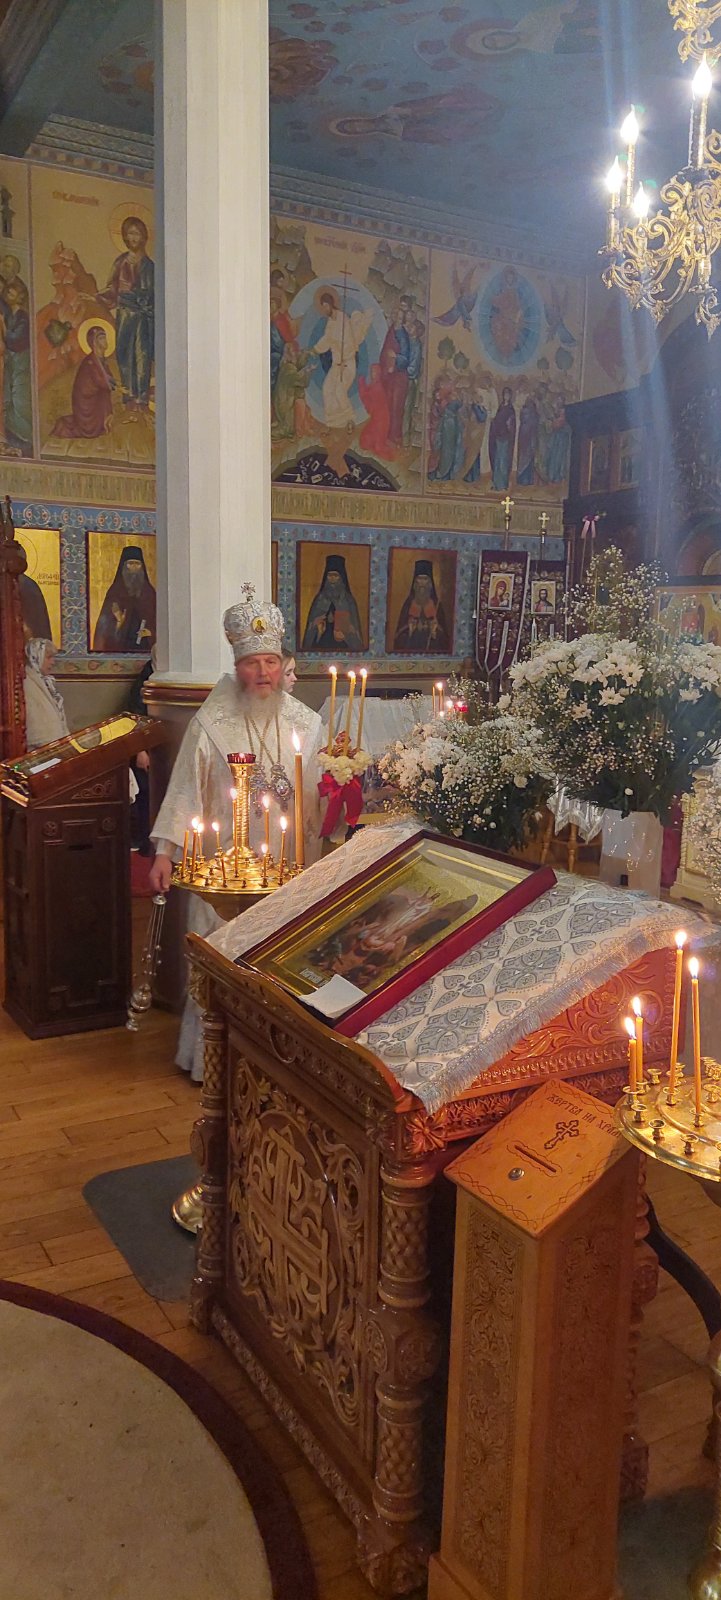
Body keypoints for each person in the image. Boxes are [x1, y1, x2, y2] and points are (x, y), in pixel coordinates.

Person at [149, 592, 323, 1080]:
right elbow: (185, 791)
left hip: (289, 868)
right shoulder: (212, 725)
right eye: (252, 663)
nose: (263, 672)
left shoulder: (307, 724)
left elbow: (320, 793)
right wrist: (164, 852)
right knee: (219, 959)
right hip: (223, 871)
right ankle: (211, 1063)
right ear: (237, 667)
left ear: (282, 665)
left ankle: (277, 1064)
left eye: (271, 661)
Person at [99, 216, 154, 412]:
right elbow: (111, 289)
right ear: (124, 236)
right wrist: (95, 296)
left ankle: (141, 399)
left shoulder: (149, 266)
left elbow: (153, 294)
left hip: (142, 318)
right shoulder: (120, 262)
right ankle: (128, 396)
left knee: (141, 356)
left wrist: (141, 299)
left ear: (144, 237)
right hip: (124, 315)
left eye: (137, 233)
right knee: (123, 353)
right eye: (130, 233)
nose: (134, 237)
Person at [51, 323, 114, 439]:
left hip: (96, 398)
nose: (106, 341)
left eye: (105, 337)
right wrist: (113, 385)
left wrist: (112, 383)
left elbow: (108, 379)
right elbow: (101, 382)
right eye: (101, 338)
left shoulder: (101, 359)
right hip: (86, 403)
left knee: (104, 395)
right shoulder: (90, 362)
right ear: (94, 342)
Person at [92, 545, 157, 653]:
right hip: (121, 645)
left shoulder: (149, 592)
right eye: (130, 564)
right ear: (124, 566)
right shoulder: (116, 591)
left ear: (142, 566)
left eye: (137, 564)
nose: (134, 567)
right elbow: (105, 627)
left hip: (145, 646)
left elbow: (158, 620)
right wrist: (119, 621)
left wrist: (151, 633)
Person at [302, 552, 365, 651]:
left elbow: (355, 629)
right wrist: (316, 624)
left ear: (341, 577)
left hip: (344, 644)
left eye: (336, 575)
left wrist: (347, 630)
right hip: (321, 643)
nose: (332, 578)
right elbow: (311, 627)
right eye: (329, 575)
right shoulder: (319, 599)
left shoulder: (348, 600)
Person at [392, 558, 450, 653]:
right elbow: (398, 639)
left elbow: (445, 641)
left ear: (430, 583)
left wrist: (435, 632)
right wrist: (409, 631)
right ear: (415, 583)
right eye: (419, 579)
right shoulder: (408, 605)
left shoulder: (437, 605)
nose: (422, 583)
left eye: (425, 579)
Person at [24, 639, 69, 750]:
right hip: (39, 749)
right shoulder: (27, 682)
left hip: (53, 747)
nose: (53, 662)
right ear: (36, 657)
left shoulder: (46, 681)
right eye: (49, 658)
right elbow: (33, 719)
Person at [489, 387, 517, 491]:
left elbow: (512, 424)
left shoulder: (510, 409)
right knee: (497, 460)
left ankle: (503, 484)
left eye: (508, 394)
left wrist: (509, 425)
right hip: (498, 436)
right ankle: (496, 483)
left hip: (505, 437)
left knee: (503, 461)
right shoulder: (500, 407)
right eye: (505, 394)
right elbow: (497, 419)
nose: (506, 396)